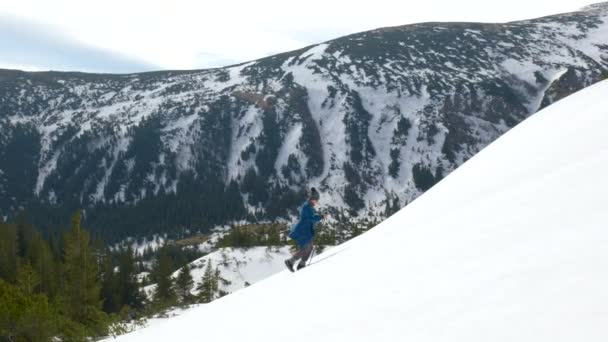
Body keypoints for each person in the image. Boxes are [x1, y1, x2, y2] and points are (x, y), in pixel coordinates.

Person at [285, 187, 328, 272]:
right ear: (312, 199)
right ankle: (290, 261)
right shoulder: (306, 207)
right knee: (306, 247)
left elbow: (312, 217)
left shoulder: (309, 206)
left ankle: (301, 264)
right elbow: (311, 218)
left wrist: (321, 216)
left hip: (307, 230)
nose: (317, 201)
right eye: (316, 199)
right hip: (303, 230)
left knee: (310, 247)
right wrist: (321, 216)